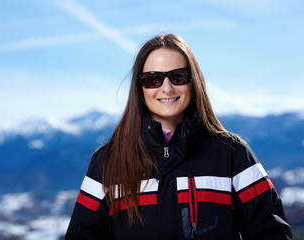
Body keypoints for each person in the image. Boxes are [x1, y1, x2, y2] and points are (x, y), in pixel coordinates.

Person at [65, 33, 292, 240]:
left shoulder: (232, 153)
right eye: (153, 79)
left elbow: (272, 234)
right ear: (139, 87)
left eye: (178, 77)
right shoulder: (107, 162)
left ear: (194, 82)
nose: (166, 88)